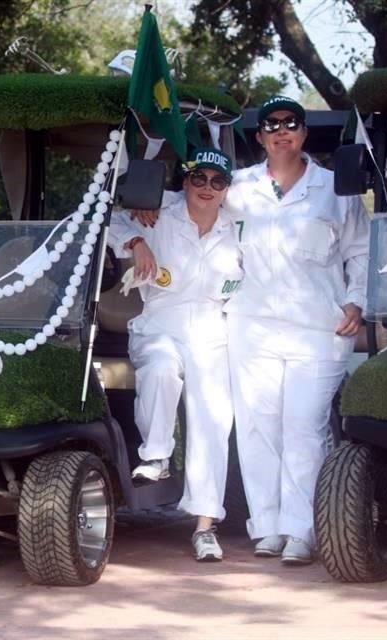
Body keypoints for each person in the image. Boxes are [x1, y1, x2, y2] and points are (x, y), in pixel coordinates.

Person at [221, 96, 369, 564]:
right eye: (272, 125)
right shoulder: (237, 188)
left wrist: (358, 300)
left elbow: (362, 251)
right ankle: (266, 526)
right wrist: (141, 226)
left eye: (291, 123)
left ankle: (304, 529)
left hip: (319, 327)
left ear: (303, 134)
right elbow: (198, 221)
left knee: (303, 425)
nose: (282, 131)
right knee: (259, 427)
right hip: (253, 326)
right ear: (260, 136)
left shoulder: (334, 187)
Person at [109, 147, 242, 562]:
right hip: (160, 319)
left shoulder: (239, 227)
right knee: (163, 368)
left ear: (226, 189)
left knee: (212, 417)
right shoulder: (158, 210)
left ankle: (205, 525)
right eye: (198, 179)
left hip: (212, 325)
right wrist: (136, 241)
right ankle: (157, 455)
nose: (207, 188)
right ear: (184, 181)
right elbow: (109, 222)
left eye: (217, 181)